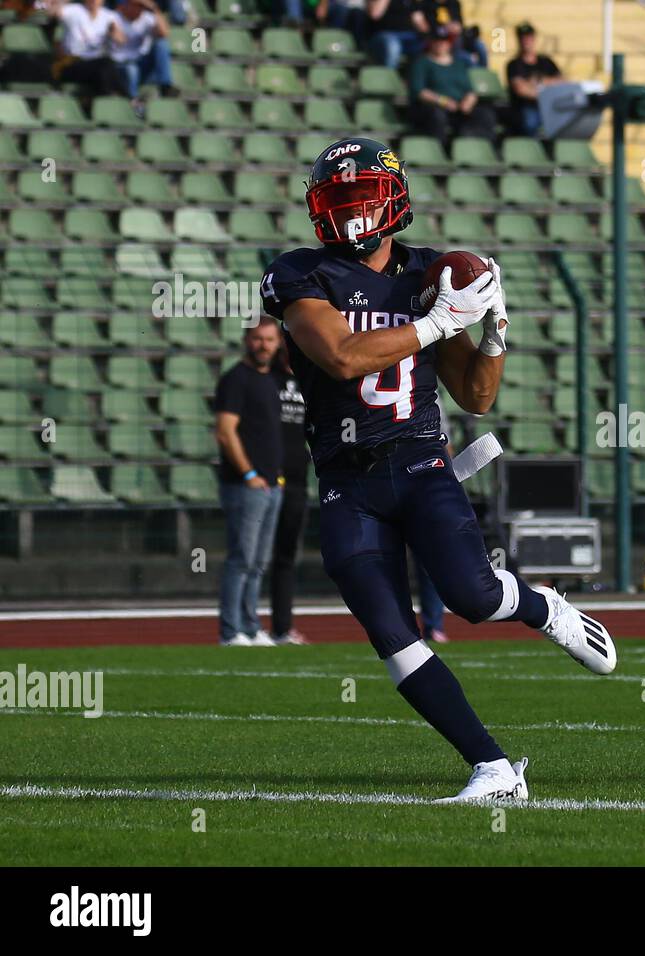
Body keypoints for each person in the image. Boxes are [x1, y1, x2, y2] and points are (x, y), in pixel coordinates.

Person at [259, 137, 617, 803]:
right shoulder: (301, 274)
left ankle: (540, 605)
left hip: (421, 460)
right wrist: (434, 325)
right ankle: (492, 768)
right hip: (344, 480)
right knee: (392, 633)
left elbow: (476, 396)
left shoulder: (429, 274)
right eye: (336, 200)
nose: (349, 213)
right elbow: (338, 357)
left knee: (474, 598)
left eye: (359, 196)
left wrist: (494, 330)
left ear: (392, 199)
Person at [214, 317, 286, 648]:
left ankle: (251, 625)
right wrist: (249, 474)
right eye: (258, 339)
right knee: (242, 559)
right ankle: (231, 631)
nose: (264, 345)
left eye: (269, 339)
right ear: (246, 340)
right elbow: (226, 431)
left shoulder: (270, 379)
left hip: (272, 484)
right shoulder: (236, 380)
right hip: (247, 485)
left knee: (258, 562)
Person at [268, 339, 310, 646]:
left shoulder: (308, 378)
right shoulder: (263, 379)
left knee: (285, 556)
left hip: (297, 481)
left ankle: (282, 628)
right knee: (253, 558)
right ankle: (239, 628)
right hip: (266, 481)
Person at [408, 25, 495, 142]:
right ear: (431, 42)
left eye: (444, 40)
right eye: (437, 40)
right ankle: (439, 149)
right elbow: (418, 91)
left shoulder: (459, 64)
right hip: (433, 108)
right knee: (437, 116)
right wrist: (443, 101)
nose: (441, 44)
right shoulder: (421, 63)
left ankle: (475, 147)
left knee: (485, 115)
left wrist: (469, 101)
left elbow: (470, 89)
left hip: (459, 108)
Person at [47, 0, 128, 97]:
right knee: (106, 65)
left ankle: (110, 101)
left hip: (97, 66)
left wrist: (114, 34)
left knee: (104, 72)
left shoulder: (109, 16)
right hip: (72, 63)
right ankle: (127, 98)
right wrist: (60, 3)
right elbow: (52, 13)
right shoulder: (74, 10)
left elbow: (121, 40)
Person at [109, 0, 176, 102]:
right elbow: (120, 40)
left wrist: (154, 9)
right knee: (131, 69)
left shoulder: (146, 18)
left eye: (142, 6)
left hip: (140, 63)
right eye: (137, 5)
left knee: (161, 44)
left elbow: (164, 33)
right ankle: (133, 102)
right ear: (127, 4)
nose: (140, 9)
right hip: (119, 65)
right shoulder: (113, 17)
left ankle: (165, 86)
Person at [504, 21, 560, 137]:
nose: (526, 41)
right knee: (530, 120)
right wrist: (547, 89)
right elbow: (521, 89)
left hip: (548, 107)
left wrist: (538, 82)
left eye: (529, 37)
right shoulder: (514, 64)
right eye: (523, 37)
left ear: (534, 38)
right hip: (526, 108)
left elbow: (562, 82)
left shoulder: (546, 62)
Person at [366, 0, 422, 70]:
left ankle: (412, 78)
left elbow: (418, 19)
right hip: (383, 36)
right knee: (393, 46)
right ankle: (389, 78)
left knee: (422, 45)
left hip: (408, 36)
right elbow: (374, 14)